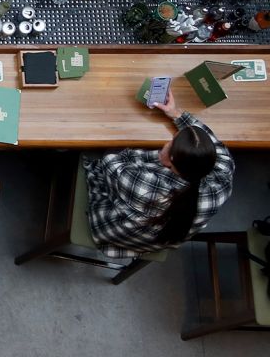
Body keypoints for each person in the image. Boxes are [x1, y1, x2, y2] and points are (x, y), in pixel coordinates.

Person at [83, 88, 235, 258]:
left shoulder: (143, 186)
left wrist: (157, 156)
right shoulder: (223, 177)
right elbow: (213, 144)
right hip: (156, 241)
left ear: (169, 161)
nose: (167, 141)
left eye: (171, 143)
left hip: (112, 232)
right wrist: (175, 113)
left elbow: (111, 162)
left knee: (107, 151)